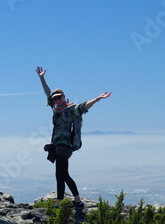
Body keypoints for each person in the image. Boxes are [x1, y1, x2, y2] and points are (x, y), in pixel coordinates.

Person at [35, 66, 111, 208]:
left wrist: (98, 98)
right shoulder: (56, 109)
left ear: (64, 97)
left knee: (62, 175)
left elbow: (83, 106)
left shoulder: (70, 110)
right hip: (56, 146)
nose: (56, 100)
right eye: (55, 99)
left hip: (65, 146)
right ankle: (65, 202)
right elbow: (47, 93)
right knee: (60, 175)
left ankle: (76, 202)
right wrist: (42, 78)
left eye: (59, 97)